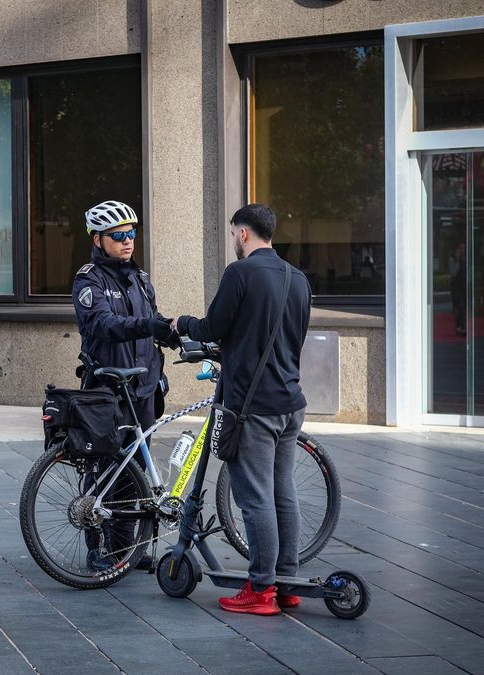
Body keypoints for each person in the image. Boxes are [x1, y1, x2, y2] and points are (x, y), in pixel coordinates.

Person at [175, 203, 311, 616]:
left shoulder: (240, 273)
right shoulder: (298, 279)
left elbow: (212, 328)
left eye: (233, 232)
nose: (234, 239)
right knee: (282, 492)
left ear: (243, 233)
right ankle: (287, 583)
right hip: (290, 403)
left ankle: (262, 589)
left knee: (254, 499)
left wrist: (182, 323)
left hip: (252, 408)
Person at [72, 200, 179, 572]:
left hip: (144, 391)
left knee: (137, 475)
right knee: (104, 471)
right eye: (118, 236)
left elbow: (151, 330)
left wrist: (172, 336)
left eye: (132, 233)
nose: (128, 240)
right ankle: (98, 547)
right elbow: (102, 324)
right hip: (108, 391)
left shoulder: (140, 279)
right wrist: (147, 326)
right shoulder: (89, 280)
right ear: (98, 239)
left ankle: (127, 550)